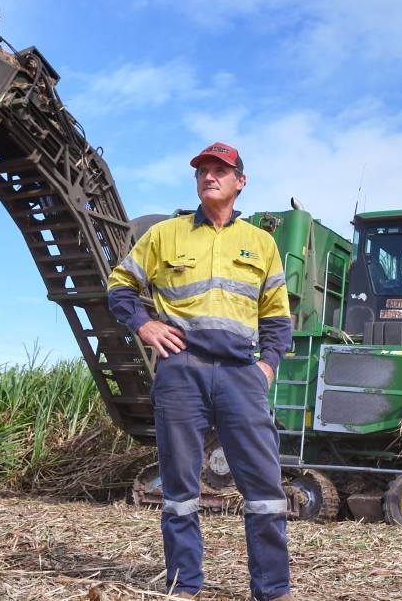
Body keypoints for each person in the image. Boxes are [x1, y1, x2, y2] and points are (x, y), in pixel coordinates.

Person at [107, 142, 293, 601]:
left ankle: (272, 590)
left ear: (239, 181)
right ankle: (184, 585)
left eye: (220, 170)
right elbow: (120, 287)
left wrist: (267, 366)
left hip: (239, 374)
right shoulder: (165, 235)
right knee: (179, 488)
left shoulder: (262, 244)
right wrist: (145, 325)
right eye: (203, 171)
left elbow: (277, 318)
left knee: (265, 488)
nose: (210, 176)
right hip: (181, 371)